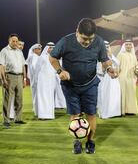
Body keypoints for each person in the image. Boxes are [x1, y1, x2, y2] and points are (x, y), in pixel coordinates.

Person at [49, 18, 116, 154]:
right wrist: (60, 71)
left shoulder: (98, 41)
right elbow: (52, 58)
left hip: (90, 84)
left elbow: (104, 60)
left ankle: (90, 142)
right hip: (70, 86)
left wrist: (110, 69)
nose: (88, 42)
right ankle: (77, 142)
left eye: (90, 39)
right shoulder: (65, 41)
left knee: (91, 114)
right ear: (76, 32)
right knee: (75, 115)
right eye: (84, 38)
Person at [0, 34, 27, 128]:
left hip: (19, 77)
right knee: (7, 99)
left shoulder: (19, 52)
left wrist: (24, 78)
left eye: (16, 41)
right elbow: (1, 66)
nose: (15, 43)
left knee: (19, 99)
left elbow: (23, 66)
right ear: (9, 41)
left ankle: (18, 119)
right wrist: (3, 80)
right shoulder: (4, 51)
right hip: (9, 76)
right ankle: (6, 120)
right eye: (13, 41)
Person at [33, 42, 63, 120]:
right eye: (50, 48)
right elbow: (37, 70)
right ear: (47, 48)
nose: (52, 49)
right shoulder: (42, 57)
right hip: (43, 81)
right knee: (43, 97)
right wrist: (36, 81)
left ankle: (49, 115)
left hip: (51, 81)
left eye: (53, 48)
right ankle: (43, 115)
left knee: (50, 97)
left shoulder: (55, 58)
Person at [97, 42, 121, 118]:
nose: (106, 48)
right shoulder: (98, 57)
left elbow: (118, 65)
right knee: (103, 97)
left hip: (113, 81)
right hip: (103, 79)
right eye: (105, 47)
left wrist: (111, 56)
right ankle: (103, 113)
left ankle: (113, 113)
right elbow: (99, 69)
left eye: (108, 47)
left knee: (113, 96)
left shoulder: (113, 57)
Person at [117, 41, 138, 116]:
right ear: (124, 46)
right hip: (122, 77)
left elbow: (136, 67)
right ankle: (122, 111)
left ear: (132, 46)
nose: (128, 46)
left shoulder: (134, 56)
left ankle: (131, 110)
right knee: (123, 94)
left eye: (130, 45)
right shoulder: (120, 55)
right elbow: (117, 66)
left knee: (131, 94)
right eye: (127, 45)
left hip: (132, 78)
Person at [26, 43, 42, 116]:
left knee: (36, 95)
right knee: (36, 95)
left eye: (40, 49)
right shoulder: (33, 57)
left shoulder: (34, 56)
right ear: (34, 50)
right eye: (38, 49)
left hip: (36, 80)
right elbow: (35, 69)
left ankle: (37, 109)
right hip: (36, 80)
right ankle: (37, 111)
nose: (40, 50)